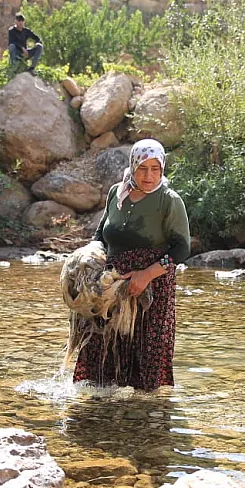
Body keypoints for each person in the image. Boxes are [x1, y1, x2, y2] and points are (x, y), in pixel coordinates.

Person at [74, 139, 191, 391]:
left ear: (162, 169)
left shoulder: (169, 200)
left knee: (145, 359)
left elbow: (182, 248)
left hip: (151, 291)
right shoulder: (117, 193)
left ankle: (144, 418)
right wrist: (87, 262)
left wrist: (146, 275)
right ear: (133, 166)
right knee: (100, 347)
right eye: (142, 168)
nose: (149, 175)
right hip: (111, 287)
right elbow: (100, 237)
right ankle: (98, 414)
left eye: (155, 168)